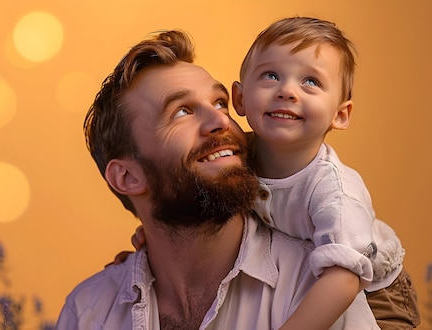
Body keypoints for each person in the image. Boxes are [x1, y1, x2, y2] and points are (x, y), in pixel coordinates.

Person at [55, 30, 379, 329]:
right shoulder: (88, 312)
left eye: (220, 103)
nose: (221, 121)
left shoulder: (314, 288)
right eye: (181, 111)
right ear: (127, 176)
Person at [230, 17, 420, 329]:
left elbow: (344, 280)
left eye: (311, 82)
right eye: (271, 75)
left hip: (374, 293)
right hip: (305, 278)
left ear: (340, 114)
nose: (287, 91)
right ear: (239, 98)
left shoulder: (335, 192)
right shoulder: (234, 157)